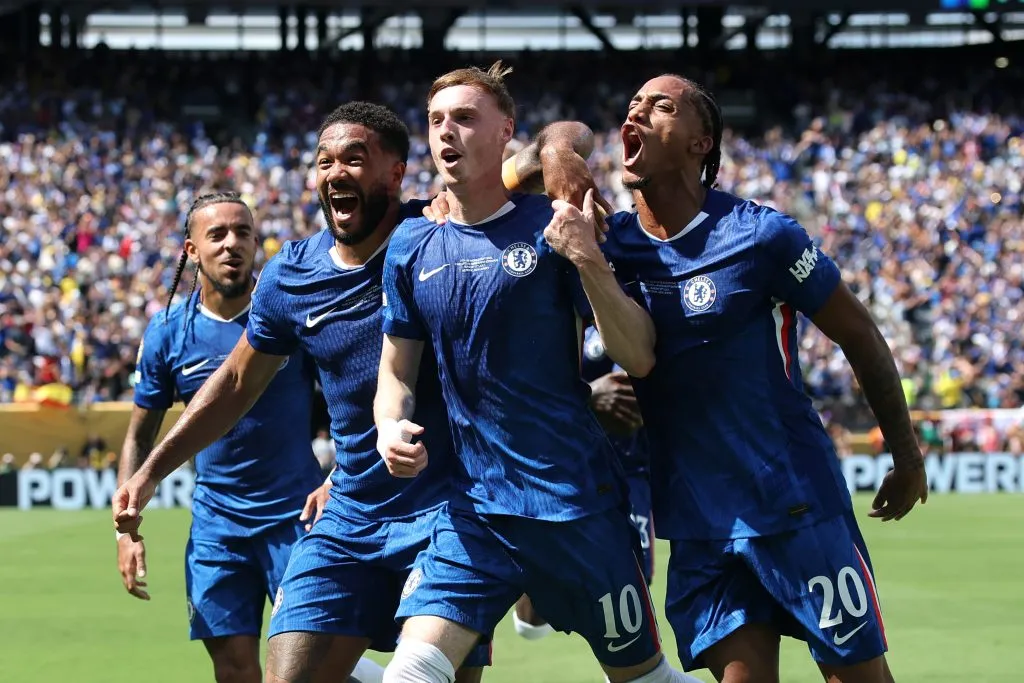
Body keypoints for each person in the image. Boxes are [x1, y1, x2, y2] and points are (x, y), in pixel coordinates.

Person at [113, 101, 597, 683]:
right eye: (325, 161)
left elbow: (561, 135)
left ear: (396, 173)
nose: (336, 171)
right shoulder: (292, 277)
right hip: (350, 516)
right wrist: (148, 474)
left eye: (355, 159)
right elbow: (238, 381)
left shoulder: (438, 232)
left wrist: (557, 152)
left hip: (451, 509)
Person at [559, 73, 929, 682]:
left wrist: (907, 455)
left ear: (701, 143)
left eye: (661, 106)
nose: (639, 114)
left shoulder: (761, 236)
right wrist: (556, 156)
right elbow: (544, 148)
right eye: (632, 107)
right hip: (700, 525)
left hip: (793, 505)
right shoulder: (610, 248)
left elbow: (860, 334)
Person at [375, 62, 699, 683]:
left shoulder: (548, 224)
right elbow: (396, 370)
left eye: (466, 119)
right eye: (437, 121)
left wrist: (587, 259)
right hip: (475, 511)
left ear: (506, 134)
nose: (448, 133)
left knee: (644, 677)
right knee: (410, 674)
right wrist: (389, 425)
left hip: (575, 507)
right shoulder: (412, 245)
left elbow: (639, 355)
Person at [114, 191, 354, 683]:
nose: (232, 244)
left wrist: (341, 474)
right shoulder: (167, 333)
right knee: (236, 672)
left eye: (243, 232)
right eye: (217, 235)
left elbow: (348, 400)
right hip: (216, 528)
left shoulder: (288, 314)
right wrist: (124, 527)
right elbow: (140, 437)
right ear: (191, 250)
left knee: (308, 669)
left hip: (298, 516)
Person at [512, 324, 654, 641]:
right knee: (530, 625)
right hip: (557, 466)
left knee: (629, 614)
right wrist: (588, 398)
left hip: (628, 469)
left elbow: (629, 390)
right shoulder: (545, 292)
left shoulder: (637, 286)